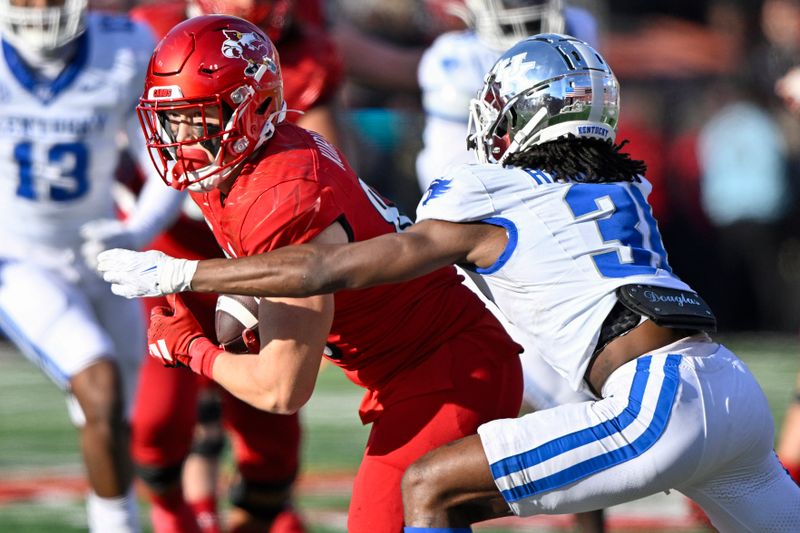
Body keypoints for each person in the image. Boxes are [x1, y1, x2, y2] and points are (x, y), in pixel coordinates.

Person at [99, 34, 800, 532]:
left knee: (429, 486)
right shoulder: (626, 183)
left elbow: (325, 268)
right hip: (731, 390)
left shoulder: (489, 192)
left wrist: (186, 274)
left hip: (652, 402)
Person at [107, 14, 524, 533]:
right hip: (419, 368)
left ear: (250, 107)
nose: (180, 137)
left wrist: (191, 349)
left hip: (445, 373)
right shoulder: (252, 159)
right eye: (173, 118)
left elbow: (281, 390)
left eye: (199, 118)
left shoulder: (282, 195)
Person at [124, 1, 343, 532]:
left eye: (194, 116)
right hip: (172, 252)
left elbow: (319, 168)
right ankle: (179, 512)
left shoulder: (301, 52)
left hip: (257, 251)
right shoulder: (148, 30)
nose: (181, 136)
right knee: (157, 423)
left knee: (270, 437)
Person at [0, 1, 184, 531]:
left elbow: (165, 161)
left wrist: (134, 233)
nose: (37, 9)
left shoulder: (123, 47)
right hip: (19, 260)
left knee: (113, 412)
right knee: (98, 383)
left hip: (100, 253)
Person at [416, 0, 597, 192]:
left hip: (563, 174)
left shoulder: (579, 26)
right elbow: (459, 167)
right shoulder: (458, 56)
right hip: (479, 186)